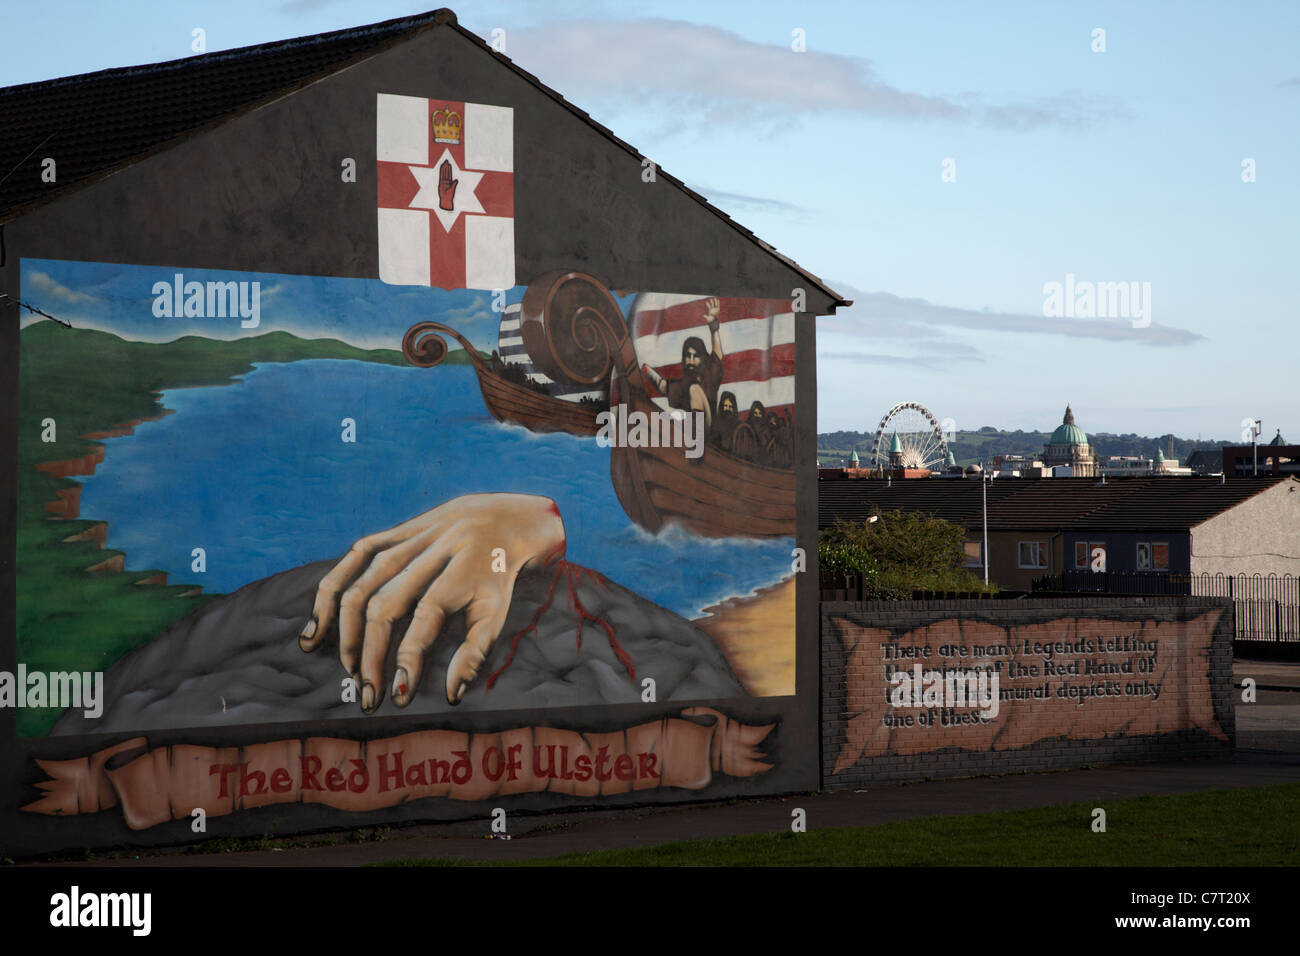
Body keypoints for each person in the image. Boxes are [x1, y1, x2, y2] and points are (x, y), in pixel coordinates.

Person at [640, 297, 723, 428]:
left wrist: (713, 325)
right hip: (691, 428)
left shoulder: (710, 376)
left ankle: (696, 433)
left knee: (695, 389)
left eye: (695, 356)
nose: (690, 360)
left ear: (702, 358)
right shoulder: (683, 384)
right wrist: (644, 369)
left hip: (709, 429)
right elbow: (662, 386)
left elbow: (717, 353)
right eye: (687, 356)